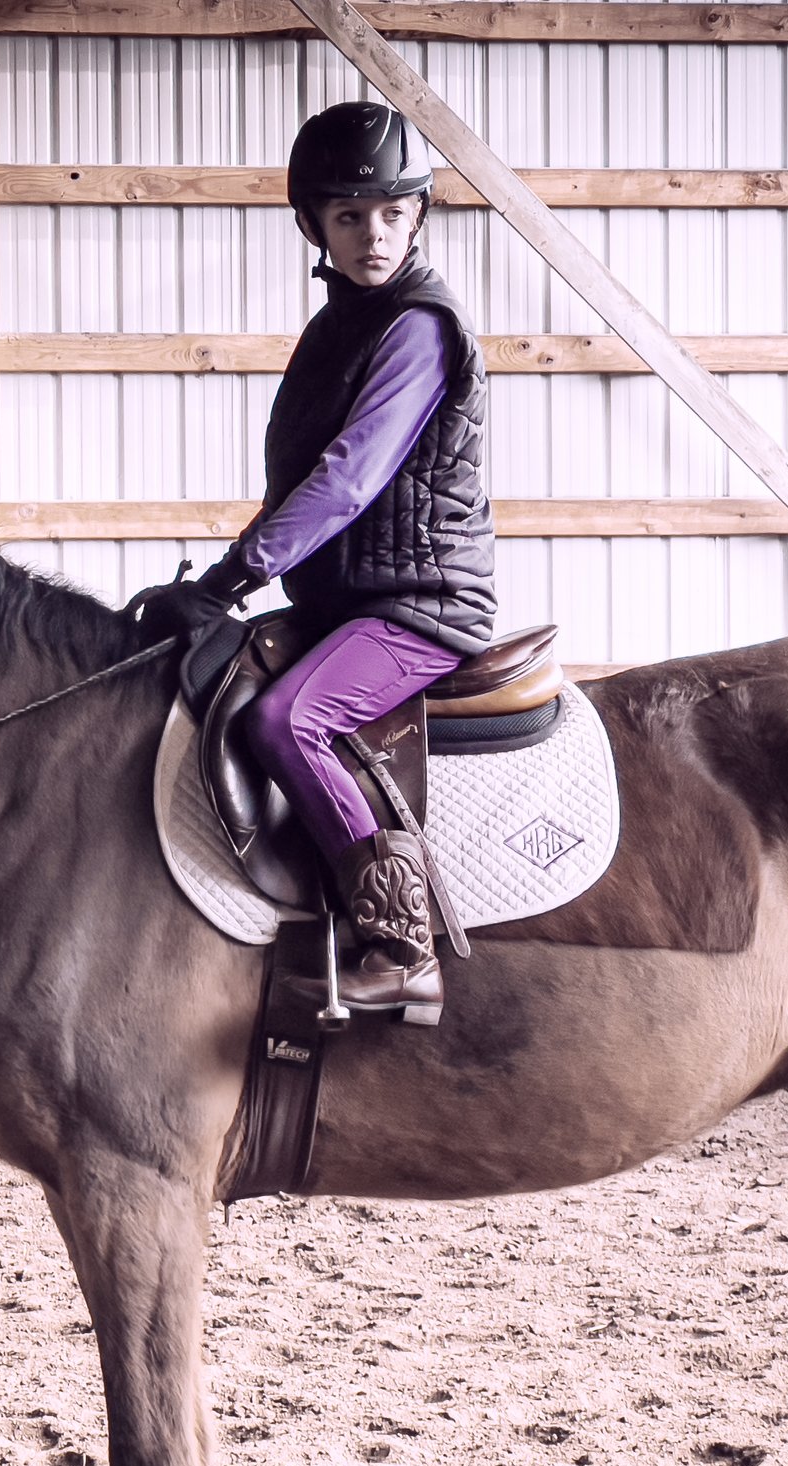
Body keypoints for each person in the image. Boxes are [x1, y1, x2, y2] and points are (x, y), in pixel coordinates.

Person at [147, 101, 497, 1025]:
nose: (372, 234)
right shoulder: (337, 325)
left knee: (285, 722)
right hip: (352, 598)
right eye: (349, 216)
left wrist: (231, 577)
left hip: (420, 605)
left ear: (418, 213)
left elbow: (346, 482)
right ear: (316, 225)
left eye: (391, 212)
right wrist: (213, 590)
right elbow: (302, 481)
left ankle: (400, 944)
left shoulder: (418, 327)